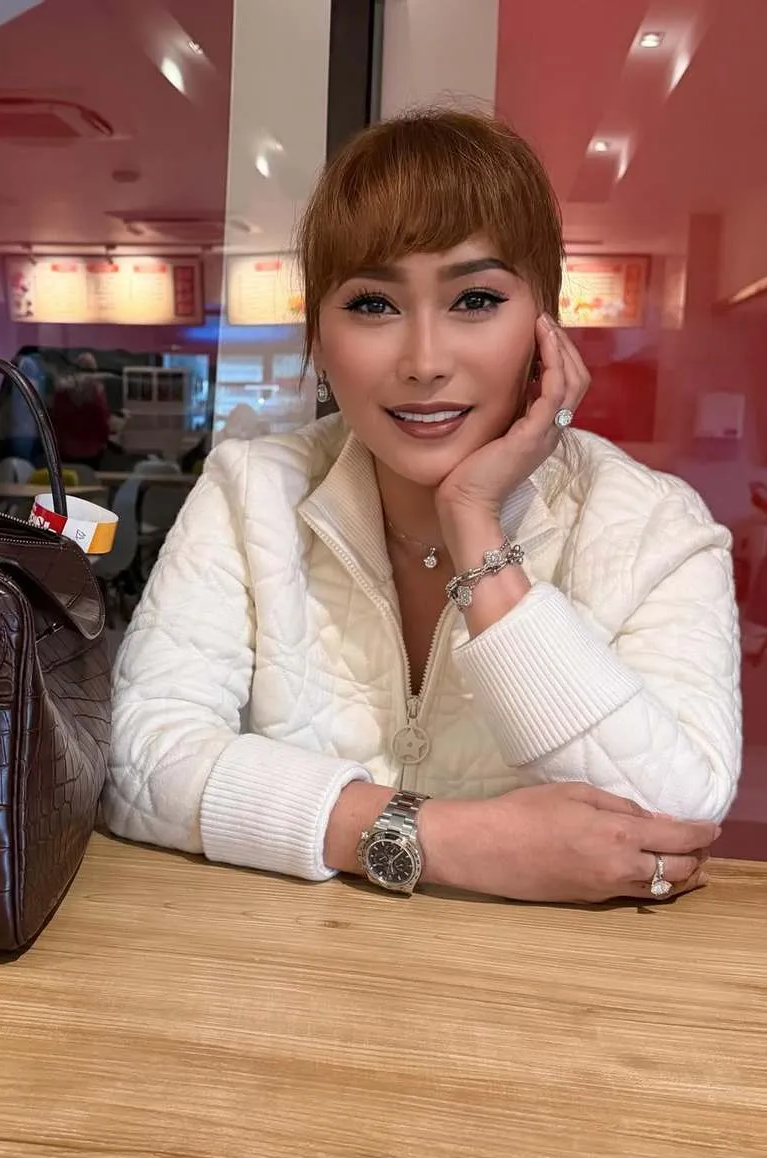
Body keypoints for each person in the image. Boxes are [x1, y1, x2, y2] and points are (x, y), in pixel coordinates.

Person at [104, 110, 741, 906]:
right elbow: (140, 760)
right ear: (318, 338)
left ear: (545, 323)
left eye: (475, 299)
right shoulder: (251, 489)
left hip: (545, 978)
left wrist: (475, 527)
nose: (426, 362)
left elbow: (671, 821)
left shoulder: (654, 525)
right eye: (374, 305)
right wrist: (444, 839)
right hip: (279, 963)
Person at [50, 351, 111, 469]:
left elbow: (55, 420)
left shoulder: (61, 391)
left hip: (66, 450)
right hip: (91, 452)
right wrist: (105, 439)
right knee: (88, 477)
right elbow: (103, 422)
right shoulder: (96, 392)